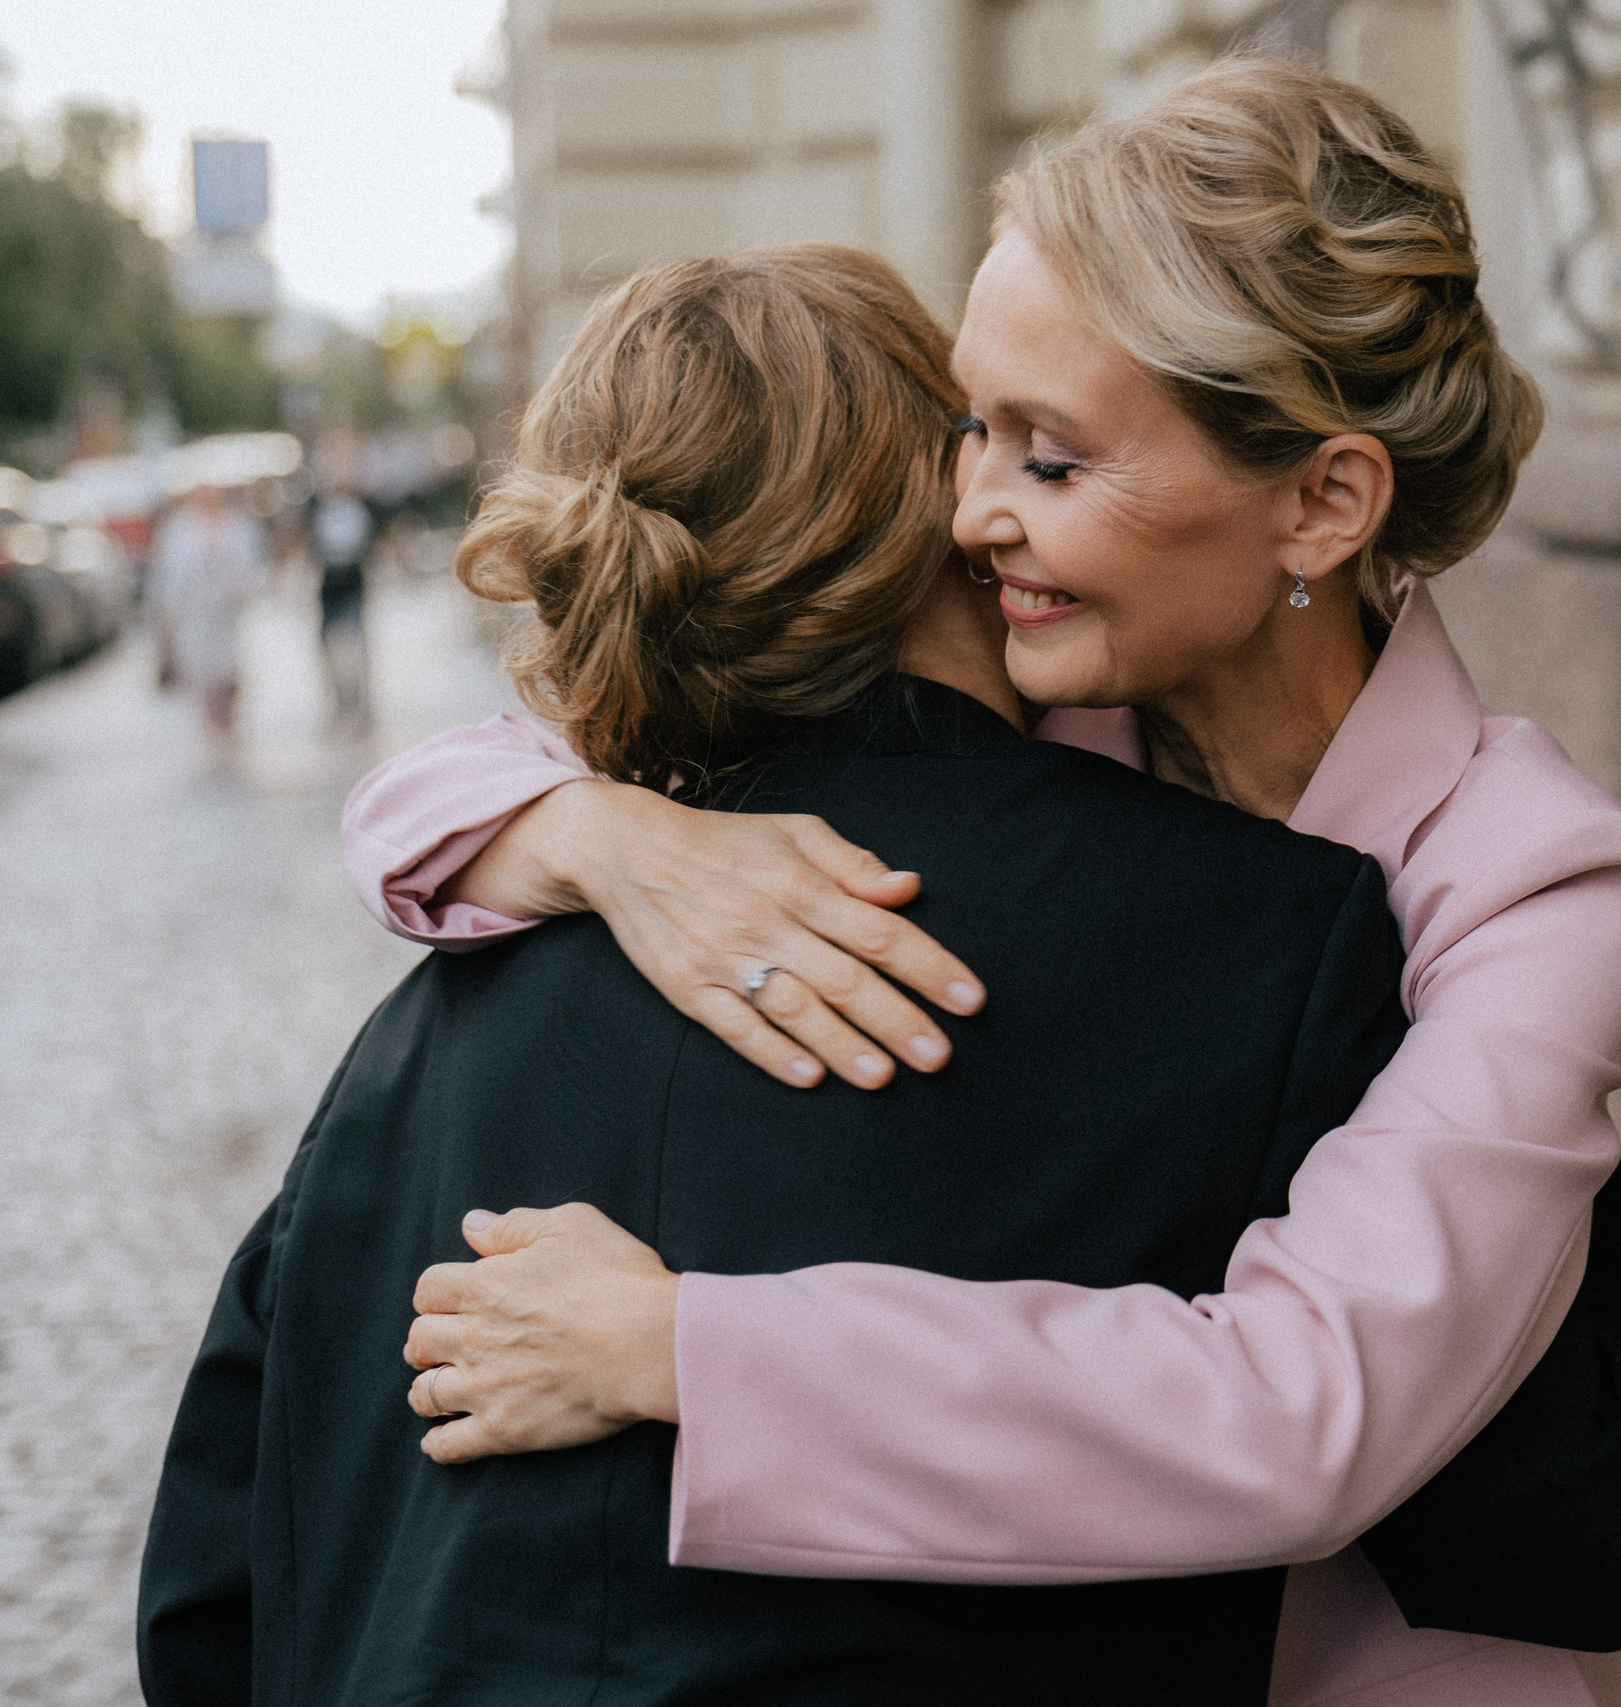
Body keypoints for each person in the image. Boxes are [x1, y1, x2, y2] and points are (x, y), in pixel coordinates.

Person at [344, 58, 1621, 1704]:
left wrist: (691, 1350)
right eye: (971, 429)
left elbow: (1301, 1409)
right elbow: (456, 769)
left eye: (1052, 460)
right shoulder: (1034, 705)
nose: (973, 513)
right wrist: (609, 839)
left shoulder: (1538, 881)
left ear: (1320, 501)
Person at [139, 244, 1415, 1705]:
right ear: (946, 506)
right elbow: (1587, 1522)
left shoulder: (417, 1039)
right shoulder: (1263, 941)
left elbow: (208, 1600)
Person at [148, 483, 271, 740]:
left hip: (227, 606)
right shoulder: (180, 529)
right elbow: (167, 571)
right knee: (199, 665)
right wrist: (166, 610)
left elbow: (254, 565)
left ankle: (227, 712)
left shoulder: (238, 525)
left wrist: (245, 588)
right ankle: (211, 720)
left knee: (229, 664)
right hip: (193, 609)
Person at [306, 476, 376, 733]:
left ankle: (359, 703)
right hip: (330, 582)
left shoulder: (358, 509)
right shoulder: (319, 510)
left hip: (350, 579)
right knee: (328, 645)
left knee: (356, 644)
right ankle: (339, 702)